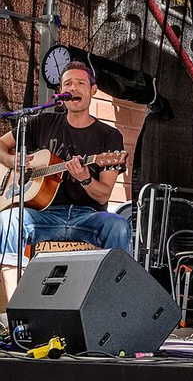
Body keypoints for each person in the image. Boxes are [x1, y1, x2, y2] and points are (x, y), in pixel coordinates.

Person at [0, 61, 130, 308]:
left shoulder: (109, 137)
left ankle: (113, 304)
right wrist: (11, 160)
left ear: (93, 90)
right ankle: (16, 307)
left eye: (80, 83)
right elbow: (1, 145)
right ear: (60, 93)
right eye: (68, 83)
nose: (74, 87)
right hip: (44, 215)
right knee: (7, 220)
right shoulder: (41, 122)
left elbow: (103, 196)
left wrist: (84, 178)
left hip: (87, 217)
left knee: (118, 226)